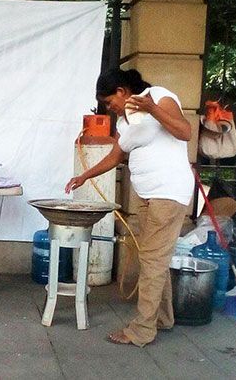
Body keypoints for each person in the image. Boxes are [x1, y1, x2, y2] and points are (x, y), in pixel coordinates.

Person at [65, 68, 193, 347]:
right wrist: (83, 176)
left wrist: (153, 109)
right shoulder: (125, 123)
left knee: (152, 261)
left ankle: (142, 330)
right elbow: (115, 156)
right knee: (154, 259)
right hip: (147, 195)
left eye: (110, 101)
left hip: (168, 192)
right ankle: (163, 317)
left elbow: (184, 131)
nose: (109, 109)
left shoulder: (157, 96)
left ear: (122, 91)